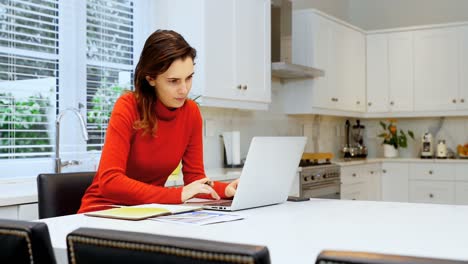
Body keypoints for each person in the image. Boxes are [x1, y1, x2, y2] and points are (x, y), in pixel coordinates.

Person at [78, 30, 239, 213]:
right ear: (151, 78)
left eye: (189, 77)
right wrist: (176, 195)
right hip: (104, 211)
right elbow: (110, 182)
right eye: (173, 81)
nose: (184, 89)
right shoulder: (128, 107)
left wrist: (226, 190)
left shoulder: (191, 113)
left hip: (149, 212)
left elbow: (195, 179)